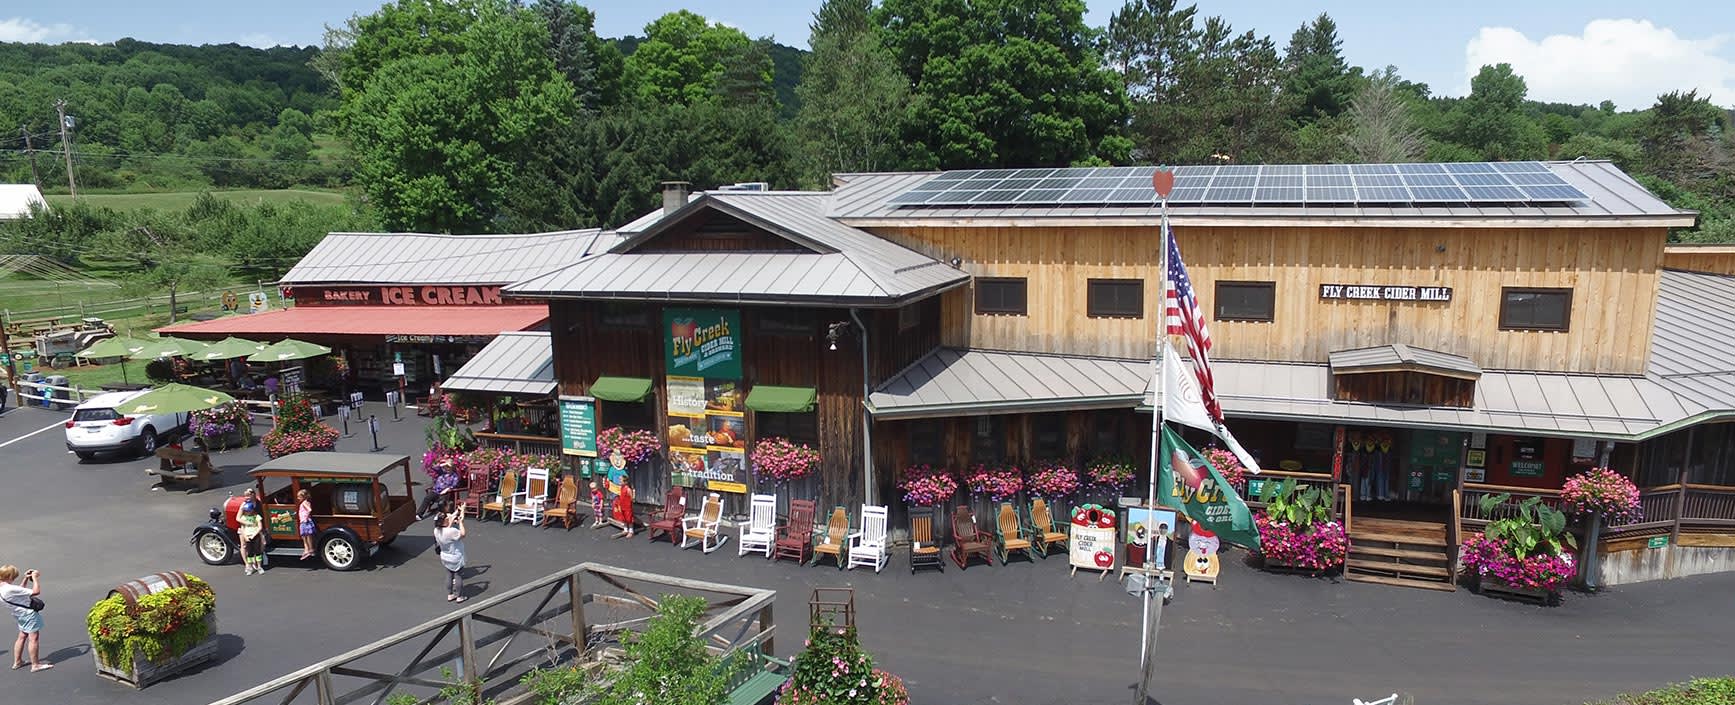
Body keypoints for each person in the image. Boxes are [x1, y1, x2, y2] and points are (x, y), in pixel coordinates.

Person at [1, 565, 50, 672]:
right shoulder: (9, 588)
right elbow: (36, 592)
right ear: (9, 576)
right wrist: (35, 578)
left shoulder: (3, 589)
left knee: (22, 637)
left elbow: (19, 591)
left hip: (19, 615)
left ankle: (17, 662)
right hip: (28, 614)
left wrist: (26, 578)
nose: (14, 579)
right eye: (13, 577)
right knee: (33, 638)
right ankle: (35, 665)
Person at [434, 511, 467, 603]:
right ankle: (459, 596)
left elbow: (446, 528)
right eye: (448, 519)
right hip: (456, 557)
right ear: (444, 521)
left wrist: (456, 514)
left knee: (449, 574)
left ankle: (450, 594)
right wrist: (461, 522)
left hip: (445, 556)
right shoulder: (452, 531)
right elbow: (463, 534)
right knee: (458, 575)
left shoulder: (436, 530)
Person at [238, 490, 266, 575]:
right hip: (246, 531)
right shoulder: (243, 505)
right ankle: (248, 565)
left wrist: (258, 532)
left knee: (259, 547)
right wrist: (247, 524)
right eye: (245, 495)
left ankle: (259, 565)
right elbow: (238, 519)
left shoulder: (257, 505)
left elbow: (259, 523)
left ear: (253, 495)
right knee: (245, 547)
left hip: (255, 531)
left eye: (248, 495)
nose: (247, 497)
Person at [297, 489, 315, 561]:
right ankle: (308, 549)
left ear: (303, 497)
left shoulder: (304, 503)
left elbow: (309, 510)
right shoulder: (307, 502)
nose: (298, 498)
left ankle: (308, 549)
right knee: (306, 535)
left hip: (305, 521)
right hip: (305, 521)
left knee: (305, 535)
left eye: (299, 497)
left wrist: (306, 517)